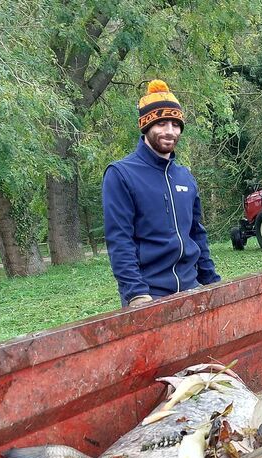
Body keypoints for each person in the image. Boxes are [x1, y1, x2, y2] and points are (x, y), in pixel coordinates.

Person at [102, 80, 220, 308]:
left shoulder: (185, 176)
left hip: (191, 288)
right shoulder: (121, 174)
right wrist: (136, 294)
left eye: (175, 124)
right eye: (162, 123)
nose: (170, 131)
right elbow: (120, 240)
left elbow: (196, 234)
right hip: (149, 294)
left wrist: (211, 281)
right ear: (146, 126)